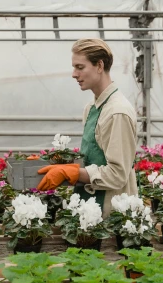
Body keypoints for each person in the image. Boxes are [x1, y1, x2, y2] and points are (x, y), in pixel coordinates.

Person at [37, 38, 138, 217]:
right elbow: (92, 159)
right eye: (74, 67)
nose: (74, 74)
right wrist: (52, 164)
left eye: (80, 67)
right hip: (88, 206)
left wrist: (72, 172)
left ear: (99, 65)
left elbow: (117, 174)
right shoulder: (93, 108)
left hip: (109, 212)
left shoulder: (117, 112)